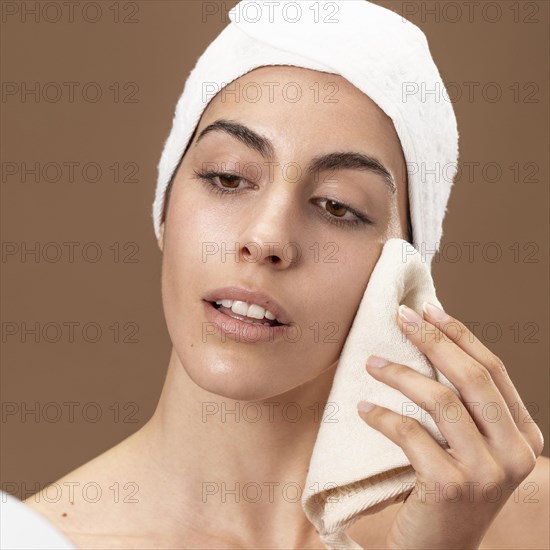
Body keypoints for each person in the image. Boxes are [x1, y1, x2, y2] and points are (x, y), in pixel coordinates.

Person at [24, 2, 548, 549]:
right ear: (164, 208)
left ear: (404, 273)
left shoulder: (525, 519)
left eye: (337, 206)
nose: (268, 238)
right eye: (227, 178)